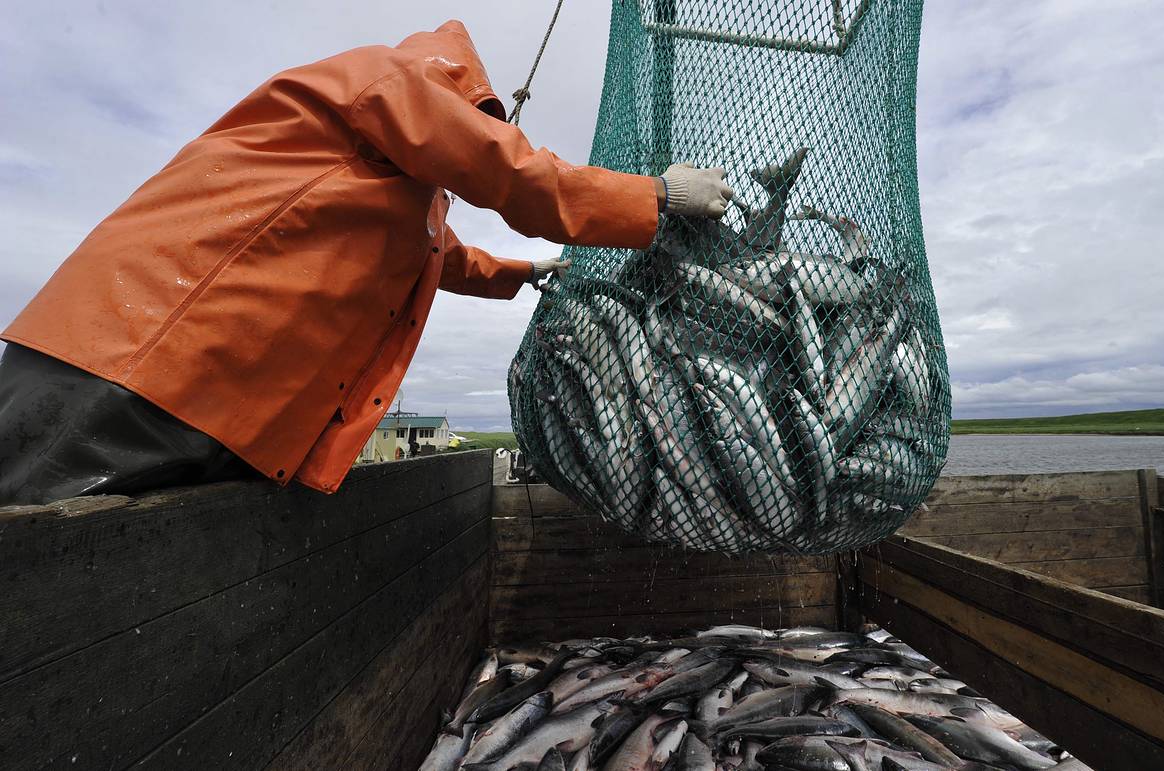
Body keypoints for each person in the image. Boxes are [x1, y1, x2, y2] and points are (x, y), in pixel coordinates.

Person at [0, 19, 733, 505]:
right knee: (35, 575)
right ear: (461, 94)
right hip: (131, 359)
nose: (480, 136)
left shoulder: (398, 185)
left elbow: (438, 259)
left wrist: (522, 273)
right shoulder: (392, 84)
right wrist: (660, 195)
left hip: (202, 389)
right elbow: (511, 175)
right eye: (481, 121)